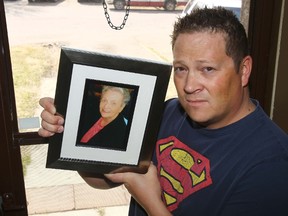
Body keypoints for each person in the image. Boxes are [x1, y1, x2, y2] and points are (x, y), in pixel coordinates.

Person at [38, 7, 288, 216]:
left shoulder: (272, 164)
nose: (189, 86)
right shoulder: (170, 111)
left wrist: (151, 203)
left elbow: (142, 190)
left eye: (208, 69)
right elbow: (105, 178)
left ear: (243, 70)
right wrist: (71, 133)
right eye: (181, 68)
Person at [77, 85, 131, 151]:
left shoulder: (121, 137)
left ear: (121, 107)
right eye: (104, 100)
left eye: (113, 103)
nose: (106, 106)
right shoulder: (91, 111)